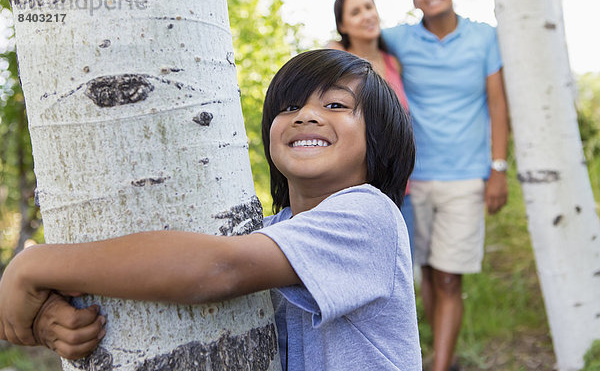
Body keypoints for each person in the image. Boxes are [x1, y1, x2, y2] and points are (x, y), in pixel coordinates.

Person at [0, 49, 422, 370]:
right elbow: (164, 263)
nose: (305, 116)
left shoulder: (369, 216)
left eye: (335, 105)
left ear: (379, 141)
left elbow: (217, 269)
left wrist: (35, 265)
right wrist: (47, 319)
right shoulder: (273, 231)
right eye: (289, 106)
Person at [381, 0, 510, 370]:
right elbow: (359, 42)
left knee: (450, 277)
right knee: (428, 277)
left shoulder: (485, 37)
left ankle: (439, 365)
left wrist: (498, 168)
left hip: (467, 178)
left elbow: (497, 104)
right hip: (414, 180)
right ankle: (436, 354)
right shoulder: (399, 39)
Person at [329, 0, 415, 252]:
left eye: (369, 7)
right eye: (356, 12)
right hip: (358, 189)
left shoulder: (392, 62)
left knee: (401, 274)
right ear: (342, 25)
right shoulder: (340, 63)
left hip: (402, 186)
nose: (367, 15)